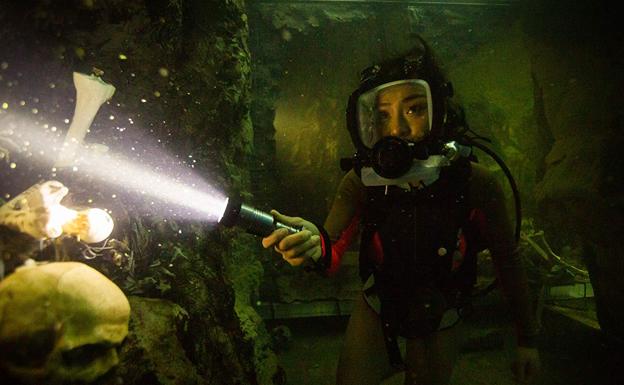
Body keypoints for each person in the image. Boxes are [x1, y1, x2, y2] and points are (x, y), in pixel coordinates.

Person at [262, 36, 540, 385]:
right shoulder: (361, 182)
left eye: (414, 109)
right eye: (382, 115)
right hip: (379, 303)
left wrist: (527, 340)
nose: (397, 129)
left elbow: (507, 258)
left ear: (439, 110)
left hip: (444, 309)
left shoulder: (474, 182)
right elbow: (329, 251)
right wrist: (313, 244)